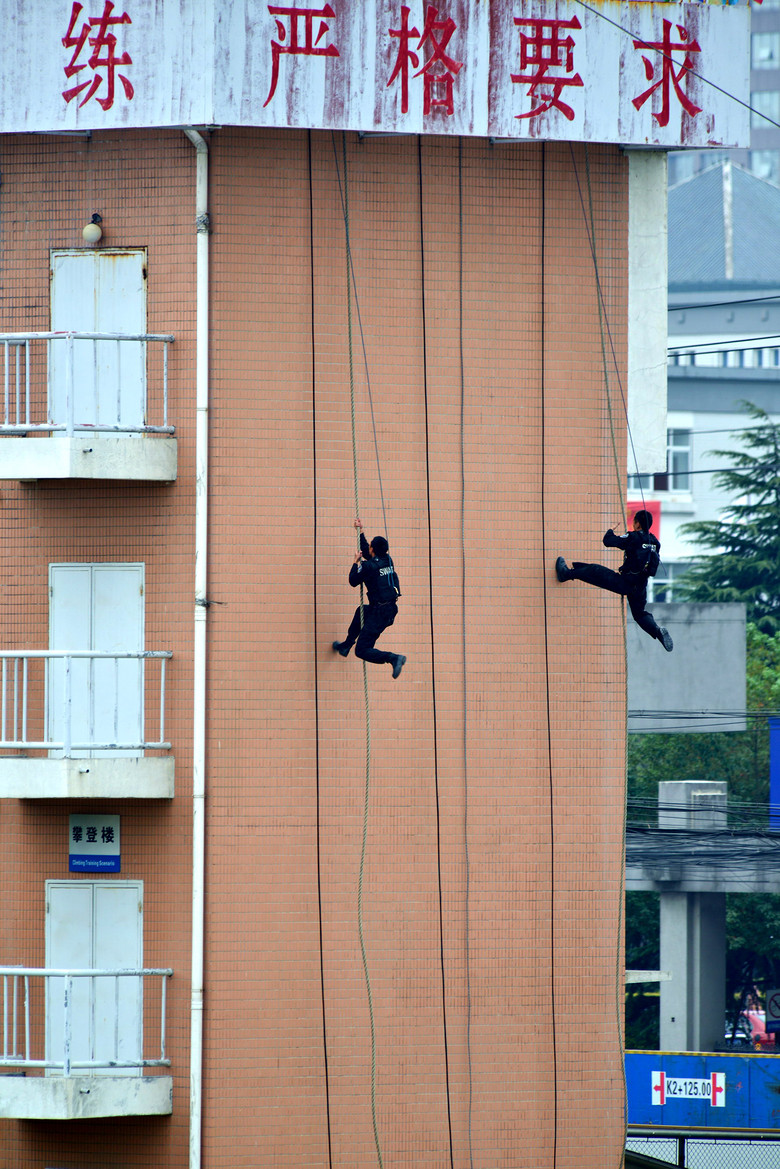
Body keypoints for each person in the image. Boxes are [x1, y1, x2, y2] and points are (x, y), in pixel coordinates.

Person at [555, 509, 673, 652]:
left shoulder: (633, 537)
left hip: (624, 583)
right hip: (640, 587)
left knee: (595, 571)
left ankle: (565, 574)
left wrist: (611, 531)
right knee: (640, 614)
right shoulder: (655, 542)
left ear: (637, 524)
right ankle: (657, 631)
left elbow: (608, 541)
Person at [333, 519, 407, 678]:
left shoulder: (369, 567)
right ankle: (346, 646)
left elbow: (353, 581)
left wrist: (355, 562)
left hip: (381, 612)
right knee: (362, 611)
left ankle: (393, 658)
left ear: (374, 549)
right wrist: (360, 531)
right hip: (387, 609)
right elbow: (367, 551)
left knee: (362, 650)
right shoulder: (387, 560)